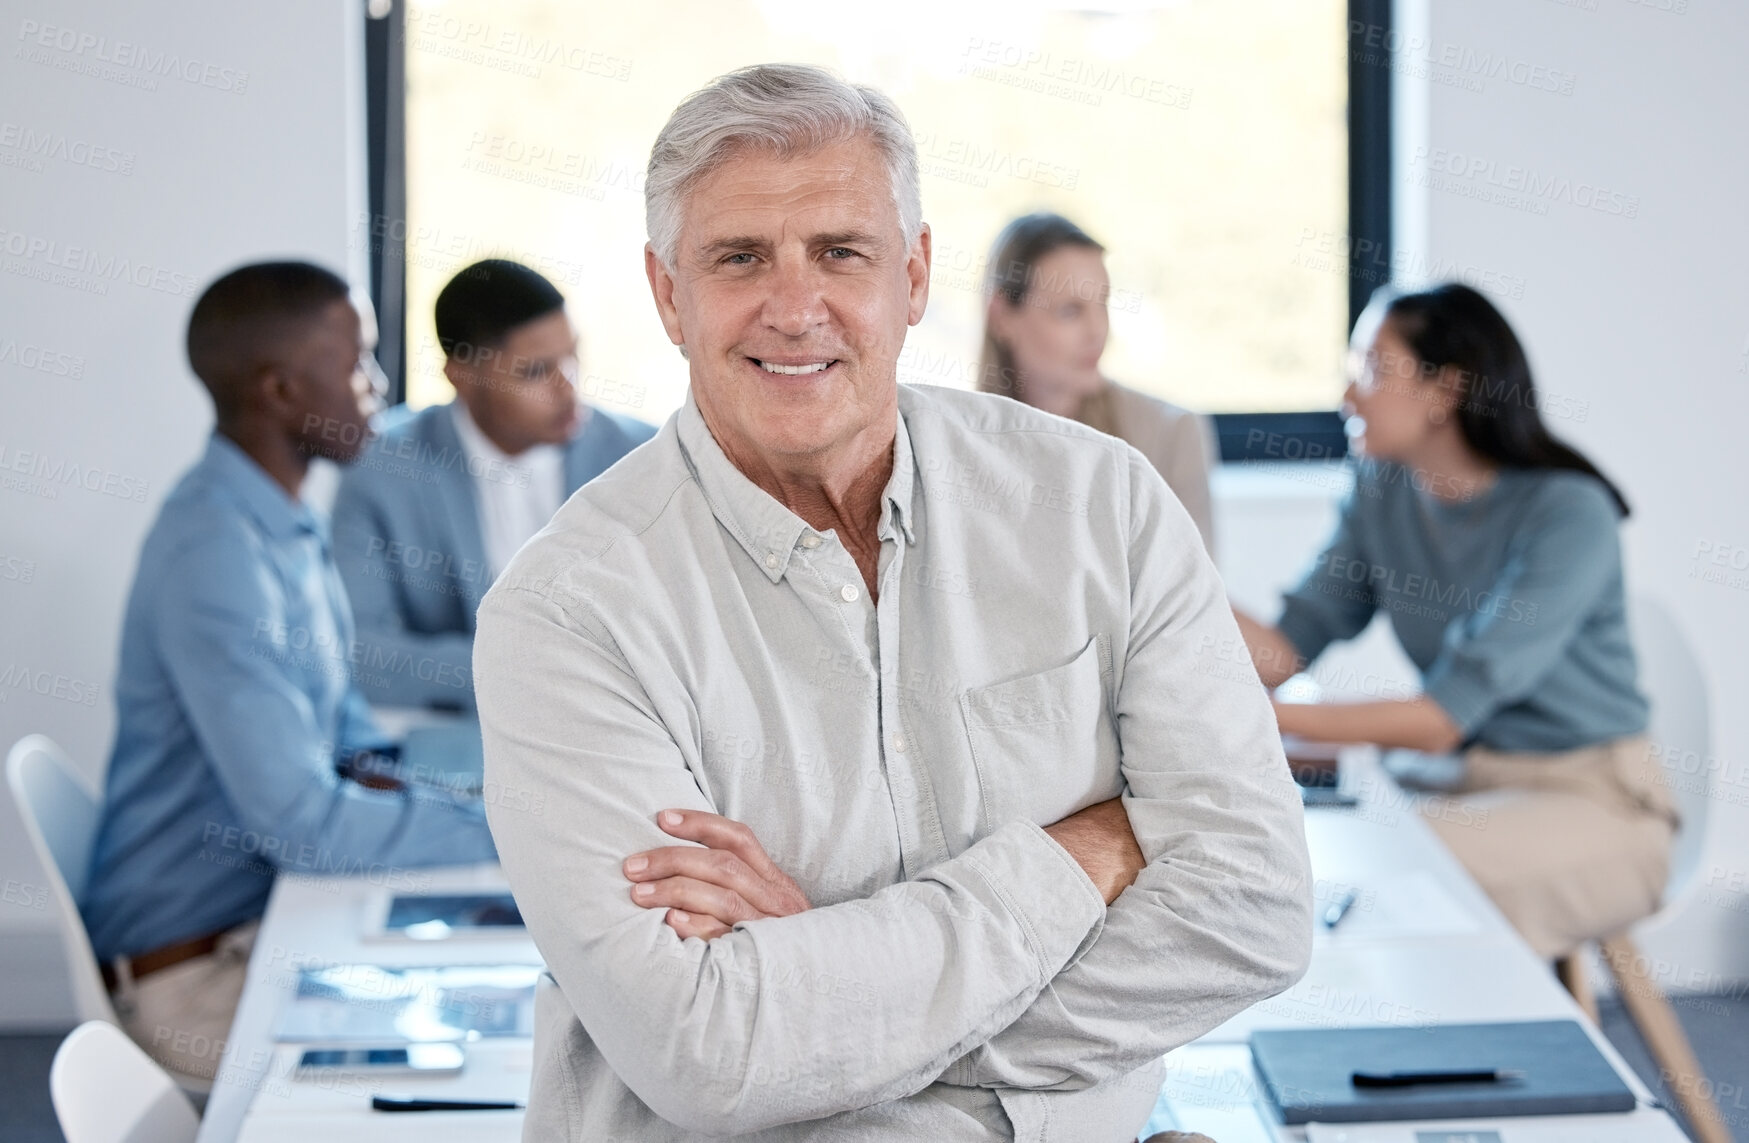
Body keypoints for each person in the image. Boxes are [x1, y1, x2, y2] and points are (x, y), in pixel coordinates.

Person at [474, 64, 1311, 1142]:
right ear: (666, 293)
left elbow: (1254, 910)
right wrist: (1083, 855)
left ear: (913, 277)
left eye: (841, 253)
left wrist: (832, 1009)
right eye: (738, 259)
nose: (793, 307)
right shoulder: (566, 614)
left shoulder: (1103, 506)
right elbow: (709, 1053)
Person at [80, 262, 498, 1093]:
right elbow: (306, 826)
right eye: (358, 363)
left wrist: (474, 796)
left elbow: (345, 737)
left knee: (503, 1011)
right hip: (195, 977)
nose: (378, 387)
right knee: (476, 1066)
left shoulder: (282, 520)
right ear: (279, 388)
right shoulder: (217, 554)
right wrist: (511, 835)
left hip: (263, 925)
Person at [1234, 282, 1676, 961]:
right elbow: (1285, 649)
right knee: (1327, 849)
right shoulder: (1380, 492)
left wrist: (1267, 721)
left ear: (1445, 391)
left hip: (1595, 799)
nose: (1348, 397)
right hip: (1461, 782)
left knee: (1402, 873)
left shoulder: (1567, 513)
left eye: (1373, 371)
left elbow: (1443, 716)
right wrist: (1167, 583)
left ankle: (1487, 1058)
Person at [330, 259, 656, 711]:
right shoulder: (381, 468)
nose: (570, 387)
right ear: (462, 376)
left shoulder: (644, 455)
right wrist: (531, 670)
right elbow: (362, 655)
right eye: (536, 371)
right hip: (465, 748)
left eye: (572, 355)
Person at [977, 212, 1219, 555]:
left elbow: (1192, 599)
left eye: (1102, 304)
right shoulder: (957, 443)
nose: (1098, 332)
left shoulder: (1170, 435)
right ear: (1001, 316)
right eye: (1070, 311)